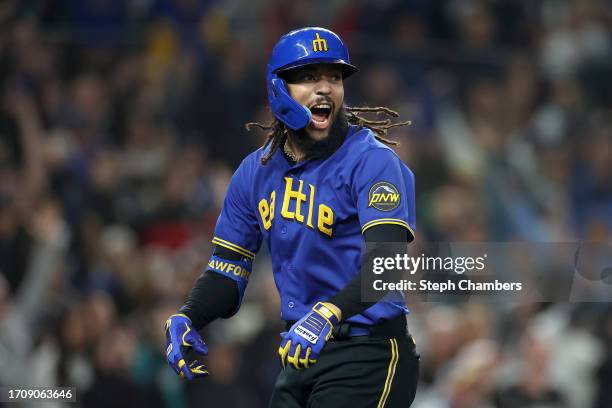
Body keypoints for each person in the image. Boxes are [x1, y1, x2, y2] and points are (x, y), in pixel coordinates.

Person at [164, 27, 419, 407]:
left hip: (370, 352)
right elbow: (228, 269)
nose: (325, 87)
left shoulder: (372, 160)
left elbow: (388, 262)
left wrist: (329, 314)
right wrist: (189, 315)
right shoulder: (255, 172)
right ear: (278, 89)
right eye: (308, 77)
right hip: (299, 355)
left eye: (334, 77)